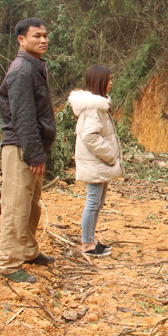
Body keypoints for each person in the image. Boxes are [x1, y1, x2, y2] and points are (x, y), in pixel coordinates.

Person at [0, 18, 57, 283]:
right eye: (36, 36)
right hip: (21, 147)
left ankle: (30, 251)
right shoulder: (22, 70)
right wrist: (33, 154)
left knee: (31, 203)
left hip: (31, 146)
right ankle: (9, 263)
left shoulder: (35, 66)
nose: (43, 40)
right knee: (17, 206)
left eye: (45, 36)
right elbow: (22, 116)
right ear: (21, 40)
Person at [68, 65, 124, 257]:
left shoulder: (99, 105)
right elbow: (90, 136)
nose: (111, 83)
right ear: (100, 81)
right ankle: (87, 246)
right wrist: (110, 156)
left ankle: (90, 241)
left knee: (97, 202)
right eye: (109, 80)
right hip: (97, 163)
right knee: (93, 202)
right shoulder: (94, 108)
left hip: (98, 163)